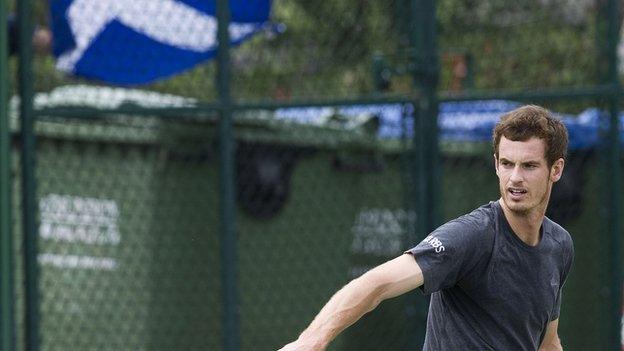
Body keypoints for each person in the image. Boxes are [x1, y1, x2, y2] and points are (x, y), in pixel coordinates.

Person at [279, 105, 574, 351]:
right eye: (507, 164)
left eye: (529, 166)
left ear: (556, 169)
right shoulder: (472, 236)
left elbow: (547, 342)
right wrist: (311, 341)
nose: (515, 178)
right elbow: (376, 284)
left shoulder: (559, 245)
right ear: (496, 164)